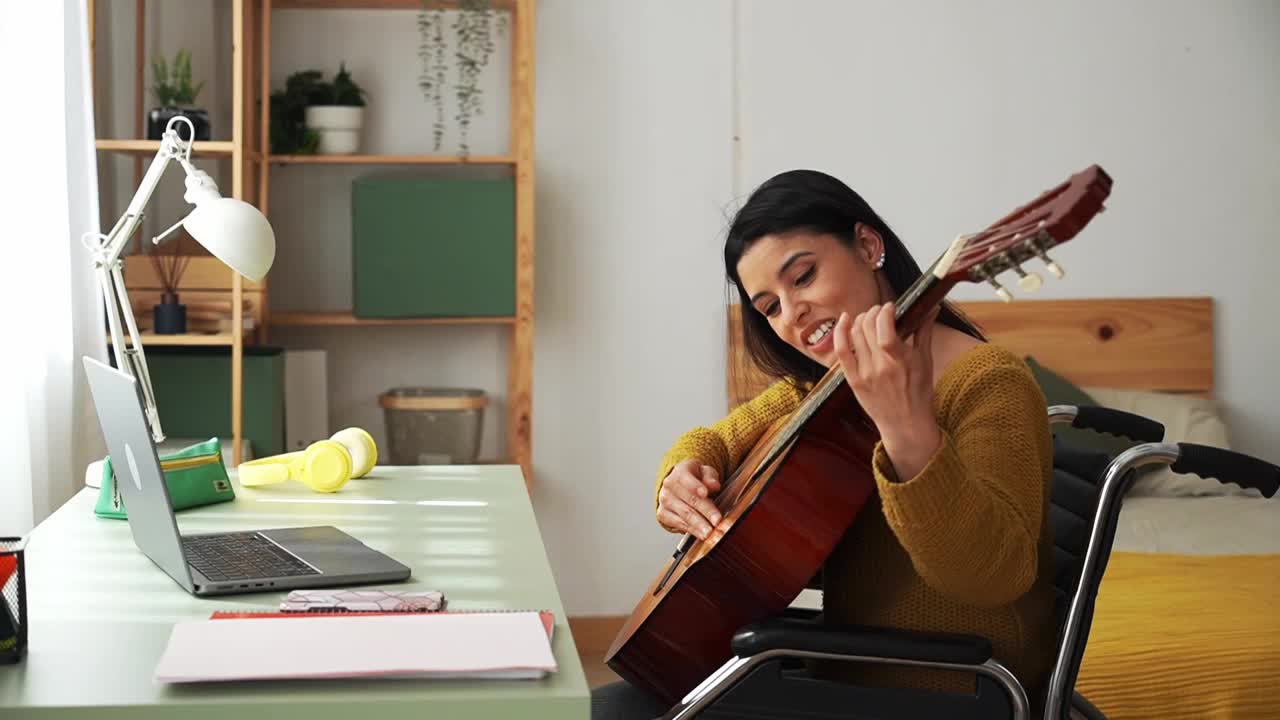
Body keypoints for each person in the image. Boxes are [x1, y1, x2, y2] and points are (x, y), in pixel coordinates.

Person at [592, 169, 1057, 720]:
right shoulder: (825, 388)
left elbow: (991, 575)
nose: (791, 315)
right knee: (610, 704)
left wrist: (905, 427)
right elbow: (715, 439)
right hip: (835, 670)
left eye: (804, 276)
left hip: (944, 694)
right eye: (768, 306)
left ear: (867, 245)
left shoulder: (988, 381)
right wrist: (681, 472)